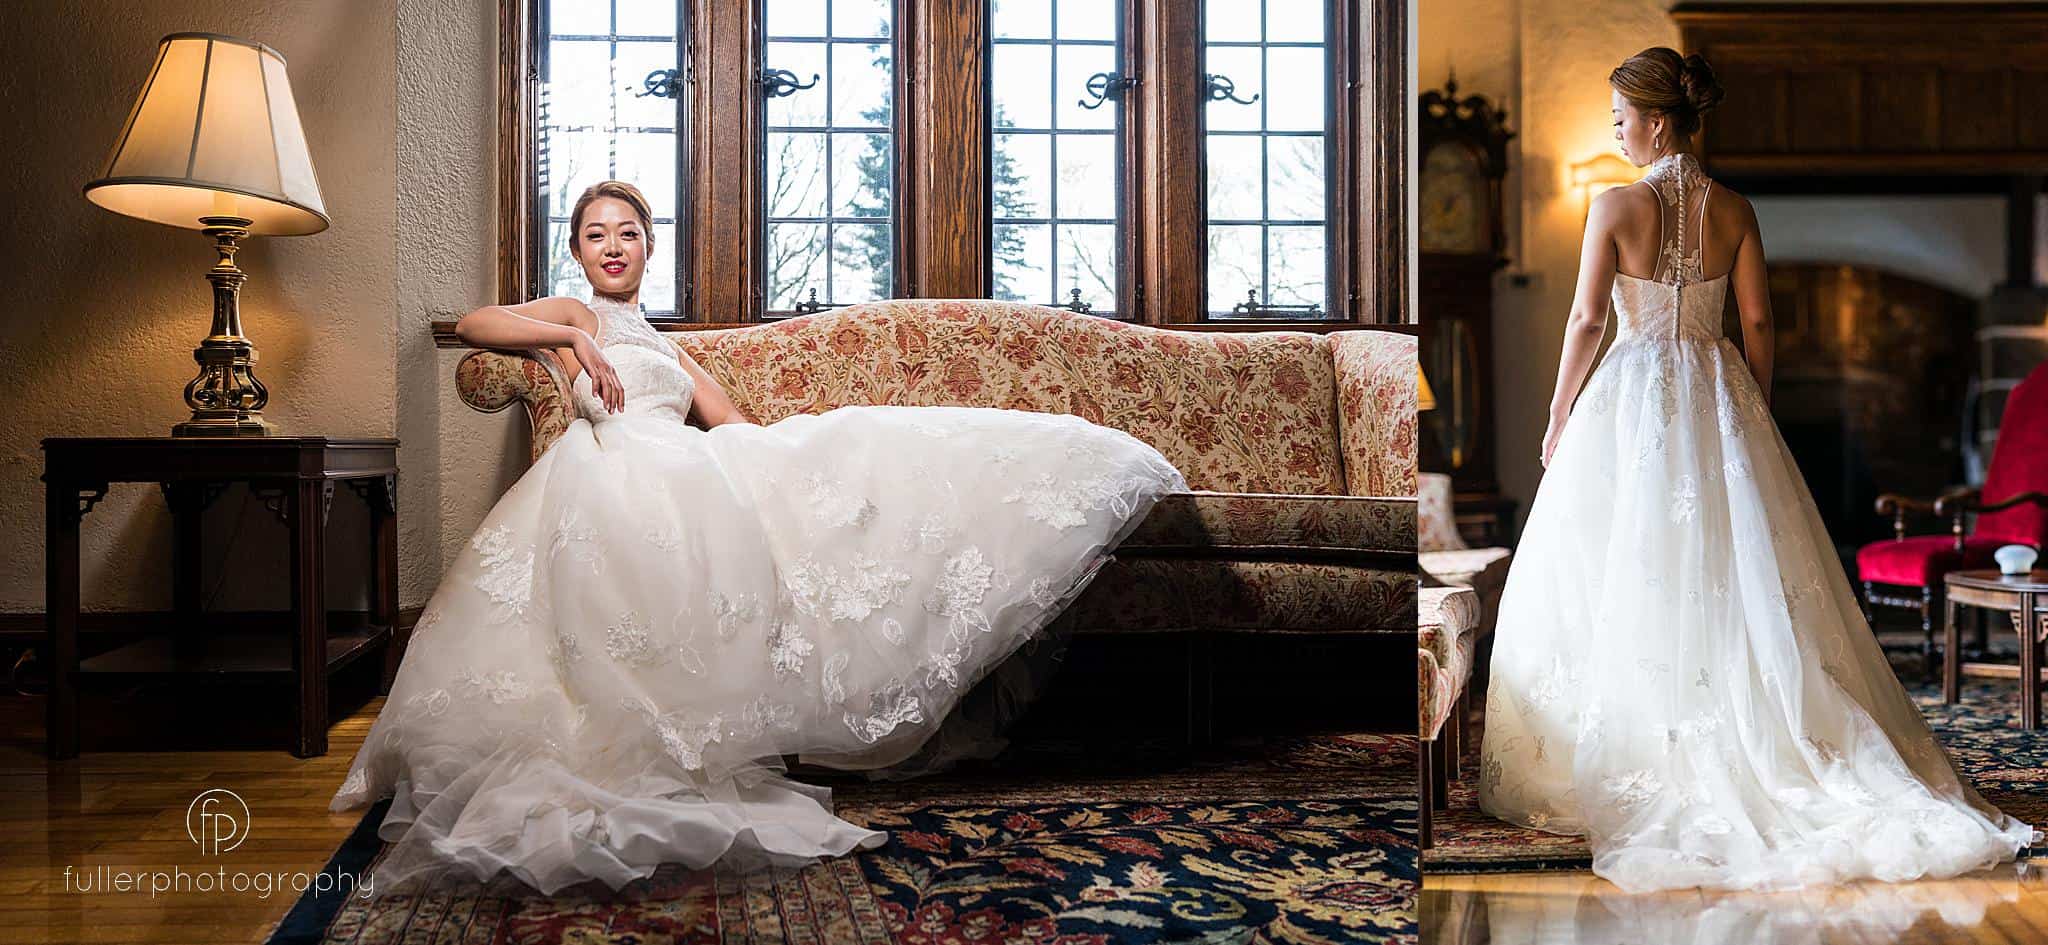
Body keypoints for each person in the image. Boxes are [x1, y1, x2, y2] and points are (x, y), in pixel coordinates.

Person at [329, 180, 1187, 895]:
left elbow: (735, 424)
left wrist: (796, 468)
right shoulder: (573, 317)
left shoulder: (668, 346)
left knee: (851, 450)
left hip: (690, 466)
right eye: (597, 235)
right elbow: (475, 325)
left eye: (629, 232)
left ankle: (1049, 467)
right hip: (611, 471)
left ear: (650, 246)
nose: (613, 246)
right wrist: (568, 341)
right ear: (580, 251)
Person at [1475, 47, 2035, 893]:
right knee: (1732, 576)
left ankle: (1638, 746)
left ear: (1657, 120)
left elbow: (1589, 319)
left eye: (1621, 115)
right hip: (1714, 386)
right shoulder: (1736, 208)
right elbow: (1761, 324)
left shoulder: (1615, 206)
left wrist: (1557, 415)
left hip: (1629, 397)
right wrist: (1754, 411)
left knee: (1628, 565)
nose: (1615, 128)